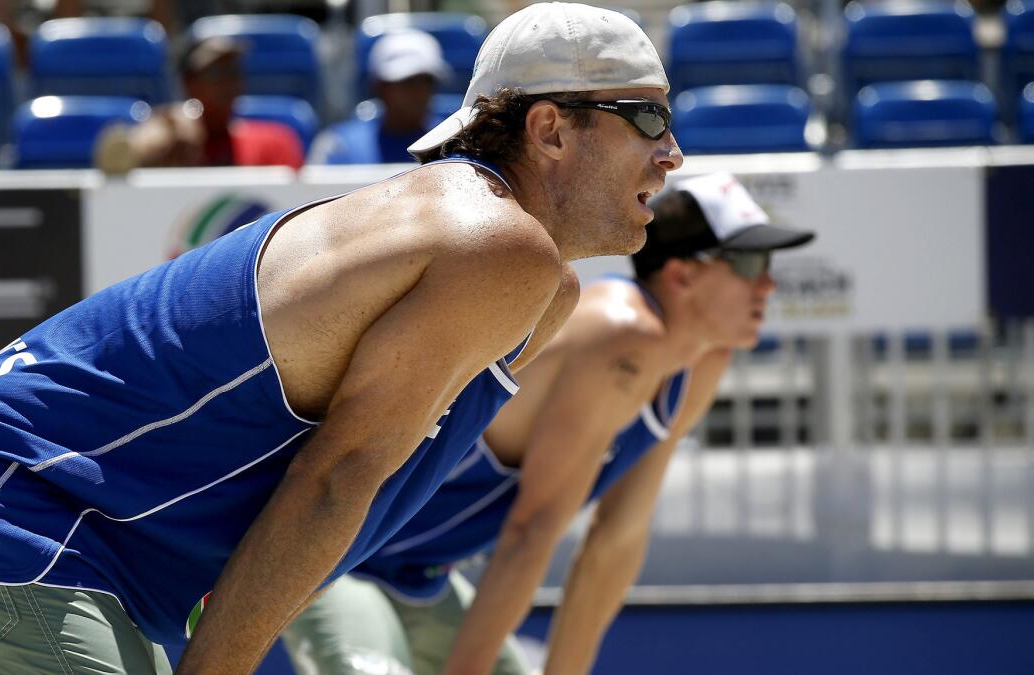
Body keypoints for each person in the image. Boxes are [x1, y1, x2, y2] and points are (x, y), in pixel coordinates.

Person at [0, 3, 680, 674]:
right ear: (551, 130)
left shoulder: (530, 277)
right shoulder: (496, 246)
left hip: (7, 516)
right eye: (646, 117)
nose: (672, 153)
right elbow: (333, 480)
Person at [282, 172, 814, 675]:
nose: (768, 284)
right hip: (333, 552)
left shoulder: (699, 361)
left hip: (422, 576)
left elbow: (616, 540)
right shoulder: (623, 334)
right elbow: (528, 533)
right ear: (682, 274)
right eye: (749, 262)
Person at [97, 35, 306, 171]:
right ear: (189, 83)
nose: (227, 82)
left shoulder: (274, 142)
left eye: (233, 72)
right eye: (216, 73)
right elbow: (116, 158)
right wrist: (161, 130)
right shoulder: (171, 139)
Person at [308, 30, 452, 165]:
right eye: (406, 83)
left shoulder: (454, 145)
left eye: (425, 81)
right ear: (380, 88)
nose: (417, 92)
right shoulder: (338, 147)